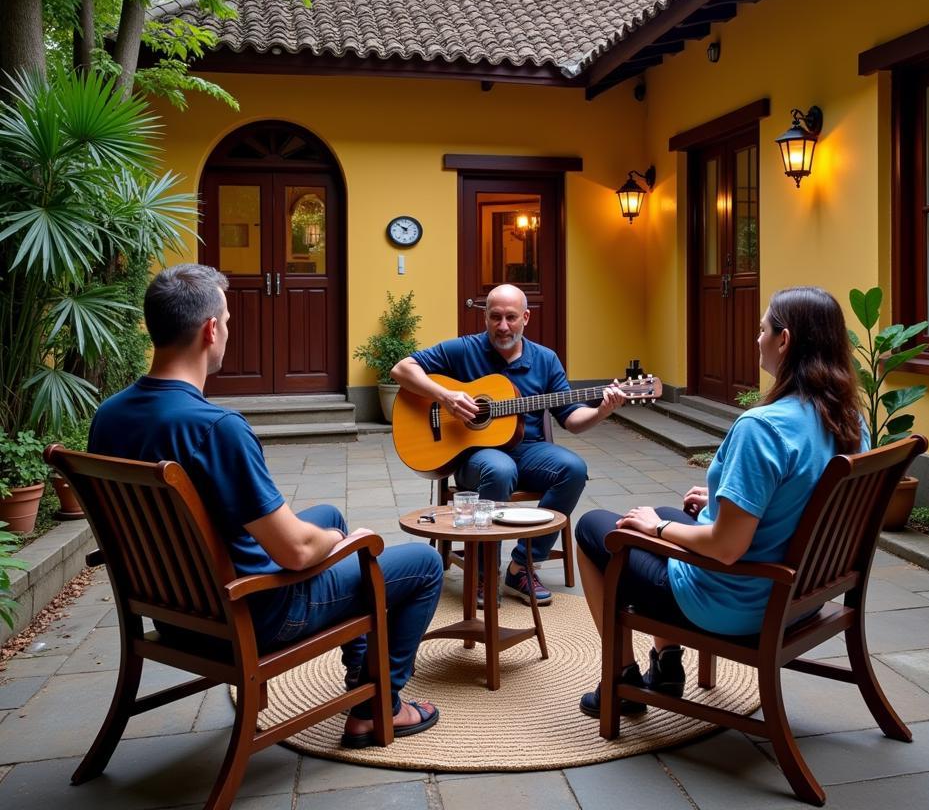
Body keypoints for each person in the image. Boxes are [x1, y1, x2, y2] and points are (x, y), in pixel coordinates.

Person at [88, 264, 444, 748]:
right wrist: (343, 544)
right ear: (211, 329)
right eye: (228, 321)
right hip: (254, 615)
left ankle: (361, 679)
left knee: (330, 518)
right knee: (419, 563)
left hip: (175, 615)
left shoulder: (109, 416)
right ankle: (376, 707)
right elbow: (296, 553)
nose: (228, 331)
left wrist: (327, 535)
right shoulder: (216, 428)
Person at [574, 286, 868, 717]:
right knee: (677, 512)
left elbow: (726, 548)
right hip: (801, 595)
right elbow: (804, 493)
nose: (757, 338)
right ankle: (667, 666)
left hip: (733, 603)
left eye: (762, 329)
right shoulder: (848, 419)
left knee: (596, 528)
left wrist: (656, 528)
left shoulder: (762, 427)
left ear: (784, 341)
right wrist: (721, 497)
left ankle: (619, 679)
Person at [391, 283, 626, 606]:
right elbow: (401, 369)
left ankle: (522, 566)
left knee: (573, 468)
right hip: (474, 454)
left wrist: (601, 410)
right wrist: (444, 396)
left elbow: (571, 419)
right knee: (499, 470)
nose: (503, 326)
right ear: (485, 317)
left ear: (526, 317)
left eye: (511, 318)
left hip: (528, 450)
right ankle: (484, 574)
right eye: (495, 317)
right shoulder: (463, 350)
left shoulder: (545, 360)